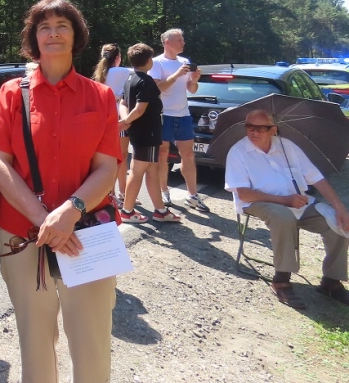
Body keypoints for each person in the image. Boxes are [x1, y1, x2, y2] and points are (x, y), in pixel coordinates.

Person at [0, 0, 121, 383]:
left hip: (87, 232)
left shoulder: (100, 96)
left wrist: (70, 212)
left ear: (76, 35)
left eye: (62, 25)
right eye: (44, 27)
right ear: (34, 38)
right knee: (35, 337)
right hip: (23, 233)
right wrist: (45, 220)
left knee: (92, 337)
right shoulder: (11, 93)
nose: (53, 33)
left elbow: (107, 167)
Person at [225, 109, 349, 310]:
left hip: (296, 202)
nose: (253, 132)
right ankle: (281, 280)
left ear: (273, 130)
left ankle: (331, 281)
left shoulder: (287, 146)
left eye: (260, 128)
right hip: (259, 202)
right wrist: (285, 200)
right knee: (283, 217)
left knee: (336, 221)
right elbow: (244, 194)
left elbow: (316, 177)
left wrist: (340, 208)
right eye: (249, 126)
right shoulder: (238, 152)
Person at [118, 43, 181, 223]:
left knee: (152, 169)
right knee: (136, 171)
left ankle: (161, 211)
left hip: (139, 132)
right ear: (148, 61)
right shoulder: (146, 81)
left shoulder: (130, 78)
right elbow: (140, 109)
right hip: (148, 133)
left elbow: (123, 103)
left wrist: (125, 120)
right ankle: (127, 211)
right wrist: (126, 121)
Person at [149, 28, 208, 212]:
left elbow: (192, 89)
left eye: (183, 40)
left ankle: (192, 195)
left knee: (188, 155)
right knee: (162, 154)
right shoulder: (156, 63)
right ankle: (164, 191)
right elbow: (157, 88)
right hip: (163, 114)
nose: (183, 43)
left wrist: (194, 80)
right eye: (179, 40)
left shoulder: (185, 62)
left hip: (183, 114)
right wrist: (176, 75)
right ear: (167, 42)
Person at [91, 43, 132, 204]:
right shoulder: (122, 71)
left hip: (103, 120)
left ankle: (114, 192)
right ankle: (119, 193)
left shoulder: (99, 73)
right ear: (118, 57)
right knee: (121, 157)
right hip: (119, 119)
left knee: (109, 158)